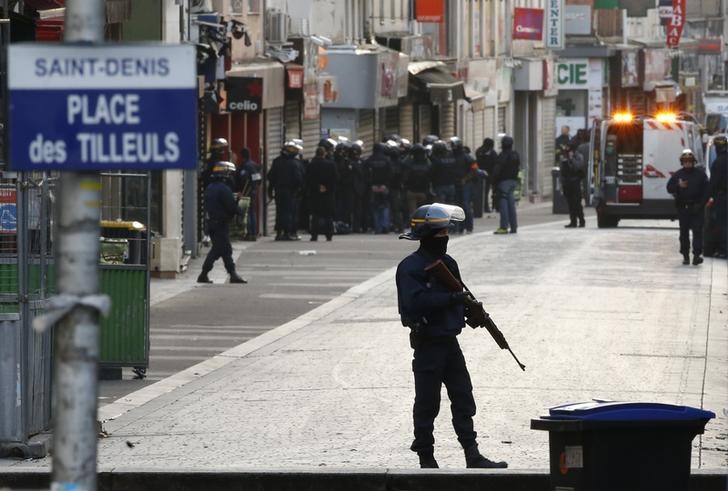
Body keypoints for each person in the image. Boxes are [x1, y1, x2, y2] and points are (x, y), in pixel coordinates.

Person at [396, 203, 508, 470]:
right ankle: (426, 456)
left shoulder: (447, 264)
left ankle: (472, 453)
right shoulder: (410, 267)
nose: (444, 238)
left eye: (446, 232)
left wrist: (472, 314)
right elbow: (412, 305)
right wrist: (452, 298)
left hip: (450, 343)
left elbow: (459, 299)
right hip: (428, 344)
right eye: (439, 233)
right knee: (427, 403)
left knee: (463, 397)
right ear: (425, 236)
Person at [197, 161, 247, 284]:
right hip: (220, 224)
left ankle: (233, 274)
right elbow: (231, 207)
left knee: (226, 250)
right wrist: (239, 208)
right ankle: (203, 274)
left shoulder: (210, 187)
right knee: (218, 249)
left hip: (211, 223)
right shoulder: (224, 189)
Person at [666, 149, 710, 265]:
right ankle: (685, 255)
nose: (687, 164)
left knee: (697, 232)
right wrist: (678, 185)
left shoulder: (700, 174)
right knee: (684, 232)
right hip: (683, 208)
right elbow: (669, 188)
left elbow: (707, 191)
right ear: (682, 162)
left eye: (689, 161)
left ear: (693, 162)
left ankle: (696, 255)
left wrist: (701, 205)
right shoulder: (678, 174)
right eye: (685, 162)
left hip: (696, 208)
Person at [268, 141, 304, 241]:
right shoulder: (295, 163)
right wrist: (299, 190)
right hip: (291, 192)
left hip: (279, 191)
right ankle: (288, 232)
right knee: (290, 212)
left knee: (280, 212)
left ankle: (279, 232)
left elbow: (271, 177)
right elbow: (299, 179)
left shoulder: (276, 161)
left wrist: (270, 190)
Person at [306, 145, 338, 241]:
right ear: (324, 154)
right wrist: (327, 187)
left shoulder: (311, 165)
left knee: (316, 215)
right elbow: (335, 178)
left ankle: (314, 235)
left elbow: (308, 179)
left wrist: (317, 187)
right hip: (328, 194)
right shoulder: (331, 164)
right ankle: (329, 235)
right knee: (328, 215)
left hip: (315, 193)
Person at [493, 135, 520, 234]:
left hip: (503, 182)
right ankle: (514, 226)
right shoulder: (515, 154)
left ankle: (504, 227)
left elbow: (497, 170)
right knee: (511, 205)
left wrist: (494, 182)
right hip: (513, 181)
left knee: (503, 205)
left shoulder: (503, 155)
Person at [364, 142, 393, 234]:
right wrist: (385, 185)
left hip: (373, 187)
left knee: (375, 208)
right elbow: (390, 174)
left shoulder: (369, 160)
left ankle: (377, 227)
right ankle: (385, 226)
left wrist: (372, 185)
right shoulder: (386, 160)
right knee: (385, 207)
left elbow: (365, 174)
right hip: (384, 187)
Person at [707, 135, 727, 258]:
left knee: (723, 224)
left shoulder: (718, 162)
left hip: (723, 197)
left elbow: (713, 183)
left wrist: (709, 197)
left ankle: (724, 250)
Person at [236, 147, 262, 241]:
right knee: (252, 212)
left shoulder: (245, 166)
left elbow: (243, 179)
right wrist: (254, 188)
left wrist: (242, 191)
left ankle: (248, 233)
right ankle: (253, 233)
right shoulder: (254, 165)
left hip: (245, 192)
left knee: (245, 213)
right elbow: (258, 180)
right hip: (253, 191)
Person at [559, 143, 586, 228]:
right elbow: (562, 170)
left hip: (575, 183)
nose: (568, 151)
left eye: (569, 149)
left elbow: (578, 167)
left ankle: (582, 221)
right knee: (570, 204)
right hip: (567, 183)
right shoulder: (564, 157)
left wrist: (571, 159)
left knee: (577, 203)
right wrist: (561, 182)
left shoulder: (579, 156)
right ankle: (573, 221)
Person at [476, 138, 497, 213]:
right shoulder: (481, 151)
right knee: (482, 192)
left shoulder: (491, 152)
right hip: (482, 174)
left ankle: (485, 206)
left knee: (485, 191)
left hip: (488, 175)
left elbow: (495, 164)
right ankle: (483, 207)